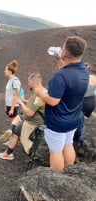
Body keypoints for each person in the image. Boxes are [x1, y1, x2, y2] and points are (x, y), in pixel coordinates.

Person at [33, 36, 89, 171]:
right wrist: (59, 60)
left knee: (56, 151)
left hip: (58, 122)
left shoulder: (61, 77)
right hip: (73, 118)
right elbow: (69, 72)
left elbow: (53, 101)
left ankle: (57, 178)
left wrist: (38, 91)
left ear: (64, 53)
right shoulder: (83, 70)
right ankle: (70, 171)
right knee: (68, 144)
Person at [0, 73, 46, 160]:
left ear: (33, 82)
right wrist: (24, 100)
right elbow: (36, 106)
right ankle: (10, 129)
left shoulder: (37, 96)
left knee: (15, 133)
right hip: (39, 119)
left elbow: (30, 113)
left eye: (29, 81)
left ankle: (8, 154)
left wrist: (20, 103)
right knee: (18, 117)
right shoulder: (44, 91)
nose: (28, 83)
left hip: (32, 122)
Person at [73, 62, 96, 150]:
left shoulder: (80, 79)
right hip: (91, 102)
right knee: (81, 121)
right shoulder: (94, 78)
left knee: (78, 122)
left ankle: (77, 142)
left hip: (82, 103)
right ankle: (78, 138)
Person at [0, 60, 22, 143]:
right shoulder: (10, 80)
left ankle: (13, 140)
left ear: (9, 71)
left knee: (14, 124)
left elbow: (16, 96)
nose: (4, 71)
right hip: (9, 105)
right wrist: (6, 105)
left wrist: (12, 108)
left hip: (14, 106)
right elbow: (8, 95)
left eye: (5, 70)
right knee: (12, 123)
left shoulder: (15, 81)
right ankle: (15, 139)